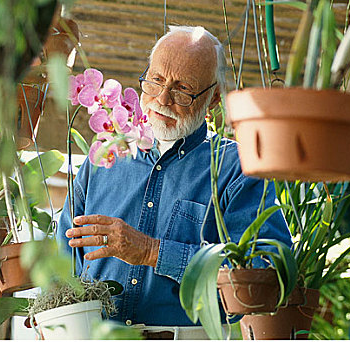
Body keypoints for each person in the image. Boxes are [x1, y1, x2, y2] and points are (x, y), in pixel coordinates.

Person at [57, 25, 292, 333]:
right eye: (155, 80)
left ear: (214, 98)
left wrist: (152, 252)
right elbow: (62, 261)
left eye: (183, 88)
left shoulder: (238, 167)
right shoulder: (104, 155)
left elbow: (267, 273)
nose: (163, 99)